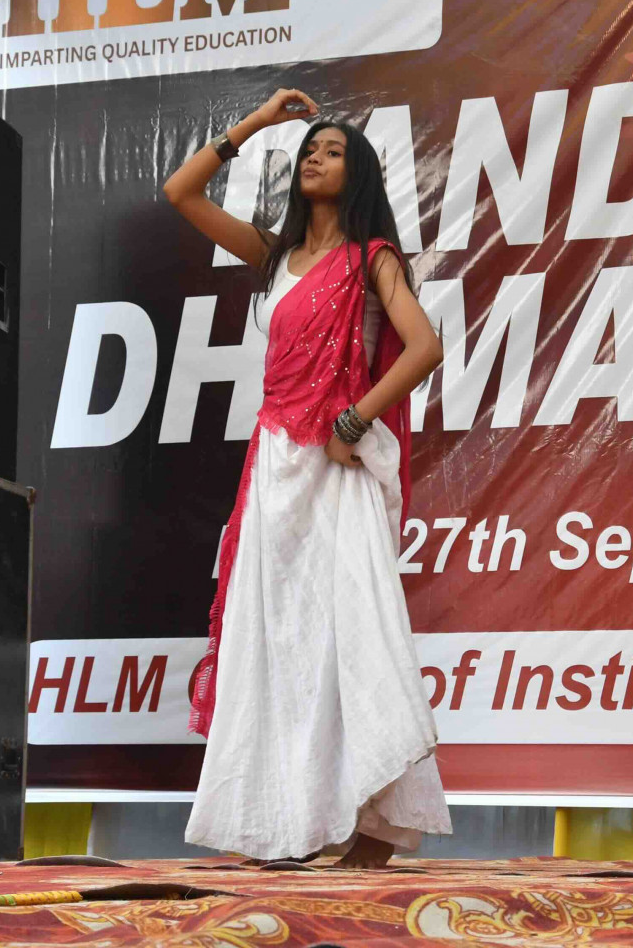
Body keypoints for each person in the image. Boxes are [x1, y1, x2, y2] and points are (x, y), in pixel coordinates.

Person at [163, 88, 451, 868]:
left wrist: (353, 423)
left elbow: (424, 347)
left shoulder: (372, 258)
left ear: (359, 175)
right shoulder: (276, 256)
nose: (316, 158)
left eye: (333, 151)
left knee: (353, 632)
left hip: (336, 465)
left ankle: (377, 825)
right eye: (309, 151)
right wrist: (258, 124)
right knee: (276, 636)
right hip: (275, 469)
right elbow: (180, 192)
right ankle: (280, 822)